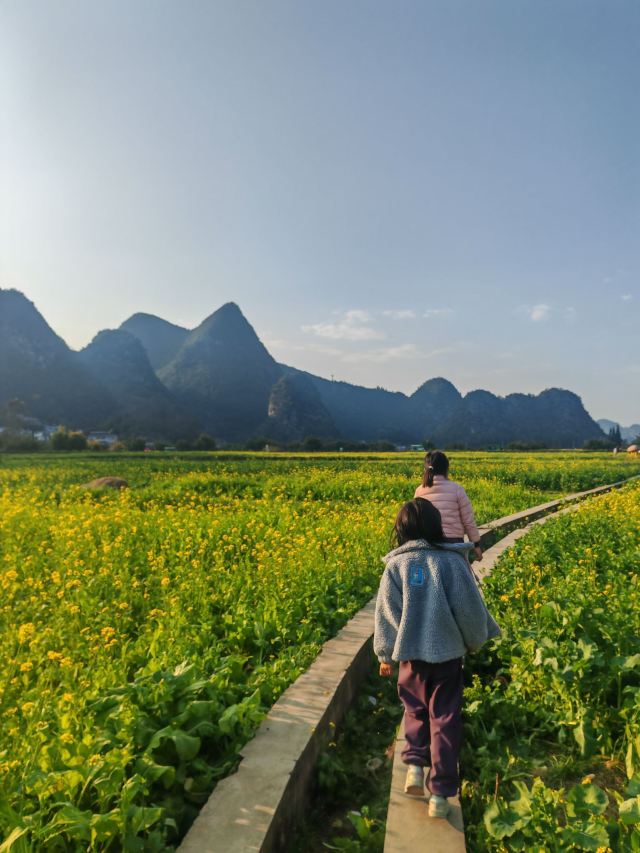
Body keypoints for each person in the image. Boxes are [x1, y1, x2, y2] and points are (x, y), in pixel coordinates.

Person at [374, 498, 500, 818]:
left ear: (401, 530)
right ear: (437, 526)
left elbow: (387, 614)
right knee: (444, 719)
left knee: (414, 710)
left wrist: (385, 654)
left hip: (410, 659)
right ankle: (440, 795)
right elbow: (469, 609)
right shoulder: (453, 563)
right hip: (447, 658)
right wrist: (475, 641)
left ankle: (415, 768)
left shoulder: (396, 565)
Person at [414, 451, 483, 562]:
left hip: (428, 543)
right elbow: (468, 521)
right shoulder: (457, 489)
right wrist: (476, 545)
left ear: (426, 468)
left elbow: (415, 521)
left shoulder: (419, 491)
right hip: (454, 544)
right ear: (446, 468)